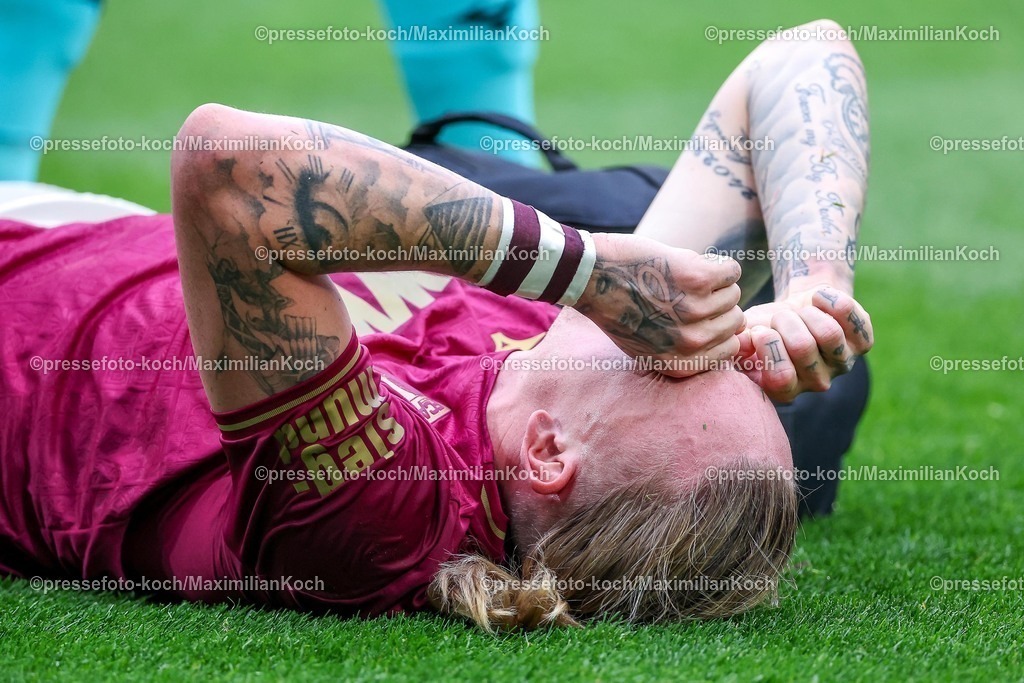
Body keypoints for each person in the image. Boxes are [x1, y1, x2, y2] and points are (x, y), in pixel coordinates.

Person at [0, 20, 872, 631]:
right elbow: (798, 57)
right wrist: (814, 287)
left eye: (678, 364)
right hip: (76, 229)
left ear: (548, 452)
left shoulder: (385, 517)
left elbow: (226, 165)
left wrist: (588, 272)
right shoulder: (551, 370)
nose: (690, 336)